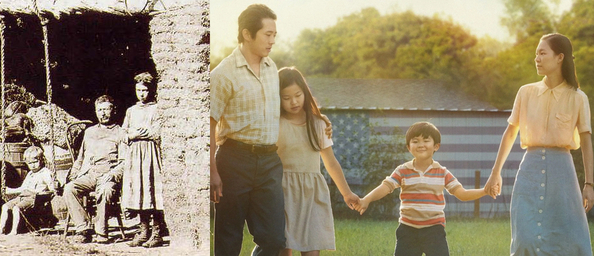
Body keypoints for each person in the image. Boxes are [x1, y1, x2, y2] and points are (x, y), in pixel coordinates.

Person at [484, 33, 593, 255]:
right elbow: (510, 132)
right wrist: (495, 173)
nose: (537, 58)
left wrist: (589, 184)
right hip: (529, 171)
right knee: (525, 237)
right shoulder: (526, 92)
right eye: (536, 54)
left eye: (543, 53)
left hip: (562, 173)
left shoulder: (578, 97)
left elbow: (586, 141)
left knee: (569, 239)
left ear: (560, 57)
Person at [210, 4, 285, 256]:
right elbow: (209, 125)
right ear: (246, 34)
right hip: (234, 160)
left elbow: (287, 104)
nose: (272, 40)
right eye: (268, 34)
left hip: (269, 161)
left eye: (274, 34)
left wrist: (316, 117)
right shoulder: (222, 74)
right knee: (228, 240)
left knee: (274, 238)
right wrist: (213, 171)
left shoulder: (271, 68)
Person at [356, 121, 491, 256]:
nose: (421, 145)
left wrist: (484, 190)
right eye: (415, 141)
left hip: (434, 231)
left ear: (436, 146)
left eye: (426, 140)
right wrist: (366, 199)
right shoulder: (403, 171)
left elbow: (462, 193)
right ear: (409, 147)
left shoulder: (442, 172)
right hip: (407, 230)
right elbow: (386, 187)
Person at [276, 67, 359, 256]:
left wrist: (346, 193)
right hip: (282, 192)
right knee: (283, 248)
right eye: (286, 98)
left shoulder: (318, 124)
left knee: (312, 247)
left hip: (312, 193)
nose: (294, 102)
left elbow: (330, 162)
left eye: (297, 95)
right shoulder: (276, 124)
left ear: (305, 93)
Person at [63, 95, 127, 243]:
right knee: (69, 189)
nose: (103, 113)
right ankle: (83, 229)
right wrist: (74, 173)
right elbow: (81, 158)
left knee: (105, 191)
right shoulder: (89, 132)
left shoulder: (120, 132)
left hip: (108, 175)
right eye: (99, 110)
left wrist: (112, 175)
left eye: (106, 109)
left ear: (114, 110)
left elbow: (124, 162)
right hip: (90, 174)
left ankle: (102, 232)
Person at [121, 72, 167, 247]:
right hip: (134, 156)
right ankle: (143, 230)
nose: (141, 94)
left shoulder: (156, 109)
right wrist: (131, 134)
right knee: (138, 191)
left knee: (151, 190)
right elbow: (123, 133)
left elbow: (156, 131)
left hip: (150, 154)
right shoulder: (131, 111)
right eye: (138, 90)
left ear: (151, 91)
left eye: (145, 90)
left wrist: (140, 133)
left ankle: (157, 233)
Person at [0, 146, 55, 235]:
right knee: (5, 207)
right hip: (23, 195)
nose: (33, 165)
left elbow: (51, 187)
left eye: (35, 162)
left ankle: (14, 230)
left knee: (16, 208)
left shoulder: (45, 172)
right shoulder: (30, 173)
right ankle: (1, 229)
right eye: (30, 163)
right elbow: (23, 188)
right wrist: (9, 190)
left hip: (34, 197)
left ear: (41, 160)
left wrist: (49, 192)